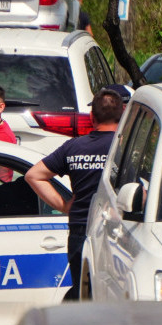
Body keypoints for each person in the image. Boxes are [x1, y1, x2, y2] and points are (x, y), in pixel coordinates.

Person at [26, 87, 125, 300]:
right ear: (123, 113)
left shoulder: (74, 146)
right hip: (118, 229)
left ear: (92, 116)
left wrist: (63, 205)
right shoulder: (125, 149)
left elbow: (34, 175)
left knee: (84, 292)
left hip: (82, 226)